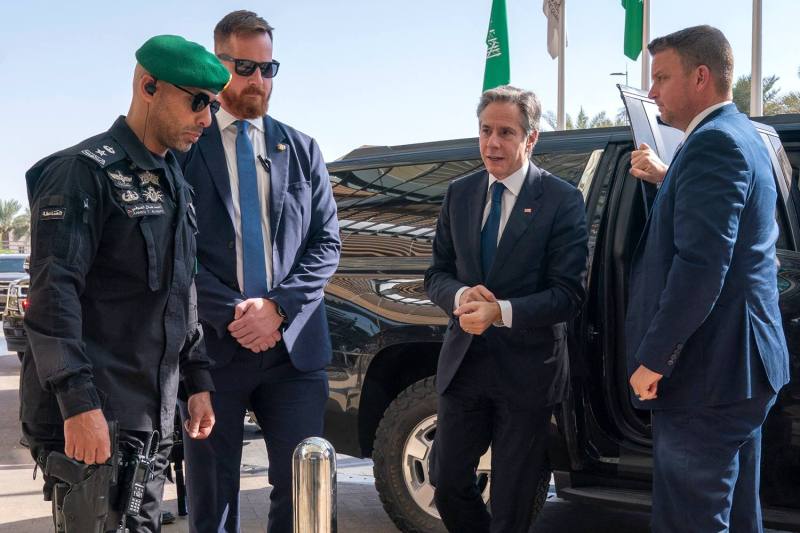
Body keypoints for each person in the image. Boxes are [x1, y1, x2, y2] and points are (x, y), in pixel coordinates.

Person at [21, 35, 230, 532]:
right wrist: (78, 404)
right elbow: (53, 296)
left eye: (214, 105)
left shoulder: (172, 179)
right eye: (197, 102)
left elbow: (181, 293)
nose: (207, 119)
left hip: (149, 414)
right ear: (148, 87)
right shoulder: (81, 173)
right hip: (97, 411)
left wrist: (197, 382)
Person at [176, 10, 341, 533]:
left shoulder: (302, 148)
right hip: (211, 354)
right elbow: (175, 252)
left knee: (303, 494)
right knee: (213, 500)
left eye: (268, 69)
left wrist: (278, 308)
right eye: (245, 67)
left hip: (293, 352)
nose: (258, 81)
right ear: (217, 66)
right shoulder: (185, 148)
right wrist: (236, 312)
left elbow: (326, 245)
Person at [625, 25, 790, 533]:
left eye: (661, 77)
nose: (651, 91)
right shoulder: (742, 135)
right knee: (736, 516)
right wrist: (669, 177)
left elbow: (701, 267)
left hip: (707, 375)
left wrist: (655, 358)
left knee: (690, 521)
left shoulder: (713, 144)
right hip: (739, 371)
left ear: (700, 77)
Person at [424, 85, 589, 532]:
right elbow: (436, 273)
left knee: (512, 503)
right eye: (485, 131)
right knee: (446, 481)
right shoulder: (459, 193)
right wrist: (460, 296)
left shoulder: (561, 200)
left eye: (506, 132)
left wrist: (501, 311)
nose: (492, 143)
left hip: (527, 373)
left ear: (531, 138)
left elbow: (569, 294)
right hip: (465, 365)